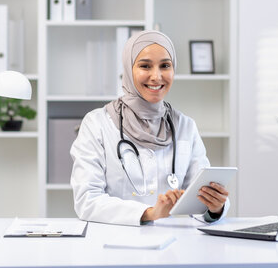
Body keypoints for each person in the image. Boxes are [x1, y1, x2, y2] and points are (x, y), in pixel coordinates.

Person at [70, 31, 229, 226]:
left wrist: (214, 207)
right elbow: (87, 200)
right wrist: (149, 213)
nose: (157, 76)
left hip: (172, 245)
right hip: (114, 243)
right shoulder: (97, 123)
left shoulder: (185, 126)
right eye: (145, 66)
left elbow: (197, 197)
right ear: (129, 69)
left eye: (165, 66)